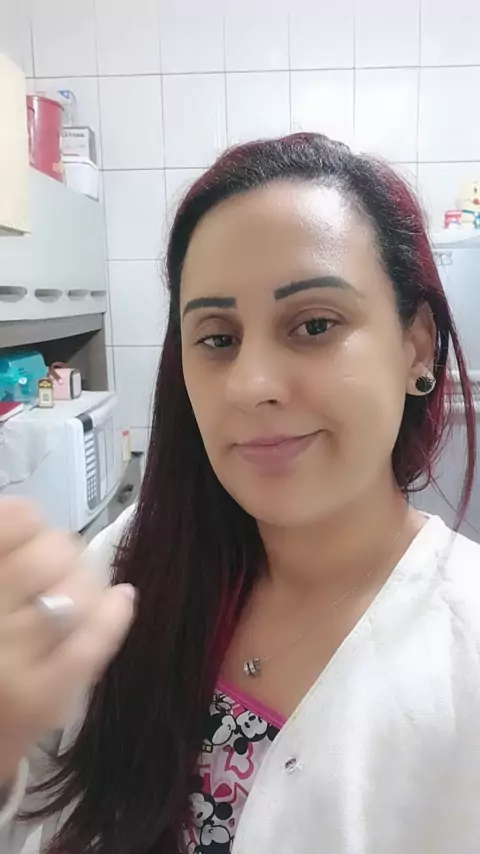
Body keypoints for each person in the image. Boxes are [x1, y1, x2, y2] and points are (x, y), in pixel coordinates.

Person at [0, 132, 479, 854]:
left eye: (314, 325)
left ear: (415, 344)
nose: (251, 385)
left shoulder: (464, 648)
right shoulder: (130, 565)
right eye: (218, 338)